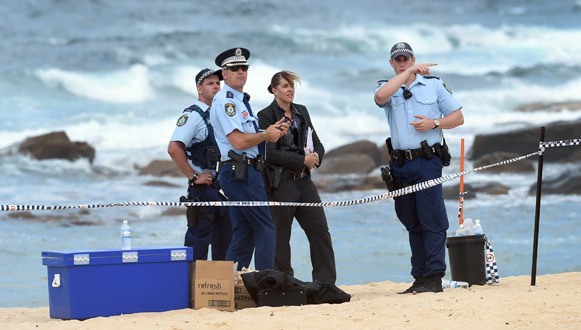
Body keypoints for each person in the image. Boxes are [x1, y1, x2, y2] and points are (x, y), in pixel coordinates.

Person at [374, 42, 464, 293]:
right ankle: (420, 277)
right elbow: (379, 98)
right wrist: (407, 73)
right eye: (398, 60)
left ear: (413, 58)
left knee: (431, 219)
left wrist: (435, 123)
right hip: (400, 164)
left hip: (427, 160)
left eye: (406, 58)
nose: (402, 62)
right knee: (411, 221)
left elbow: (458, 117)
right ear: (392, 63)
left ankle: (434, 277)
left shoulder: (433, 84)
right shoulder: (387, 87)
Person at [209, 47, 290, 271]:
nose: (240, 72)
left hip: (242, 171)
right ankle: (267, 281)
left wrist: (270, 132)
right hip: (240, 171)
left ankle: (230, 285)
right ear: (223, 73)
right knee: (265, 227)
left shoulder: (239, 100)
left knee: (245, 232)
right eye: (234, 68)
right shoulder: (227, 101)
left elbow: (248, 139)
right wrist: (266, 134)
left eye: (244, 68)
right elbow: (238, 141)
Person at [257, 71, 337, 285]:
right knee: (281, 239)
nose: (290, 89)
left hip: (304, 182)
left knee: (320, 231)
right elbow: (269, 153)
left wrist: (316, 157)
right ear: (274, 90)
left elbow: (317, 142)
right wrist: (302, 160)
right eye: (284, 86)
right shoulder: (265, 116)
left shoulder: (302, 111)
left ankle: (325, 283)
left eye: (291, 85)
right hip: (280, 183)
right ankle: (284, 284)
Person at [168, 68, 232, 261]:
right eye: (209, 83)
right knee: (198, 245)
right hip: (203, 190)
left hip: (223, 190)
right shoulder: (193, 116)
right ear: (199, 88)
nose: (215, 86)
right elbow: (174, 148)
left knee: (225, 245)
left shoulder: (220, 114)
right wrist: (194, 177)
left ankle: (219, 289)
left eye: (217, 83)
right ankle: (192, 289)